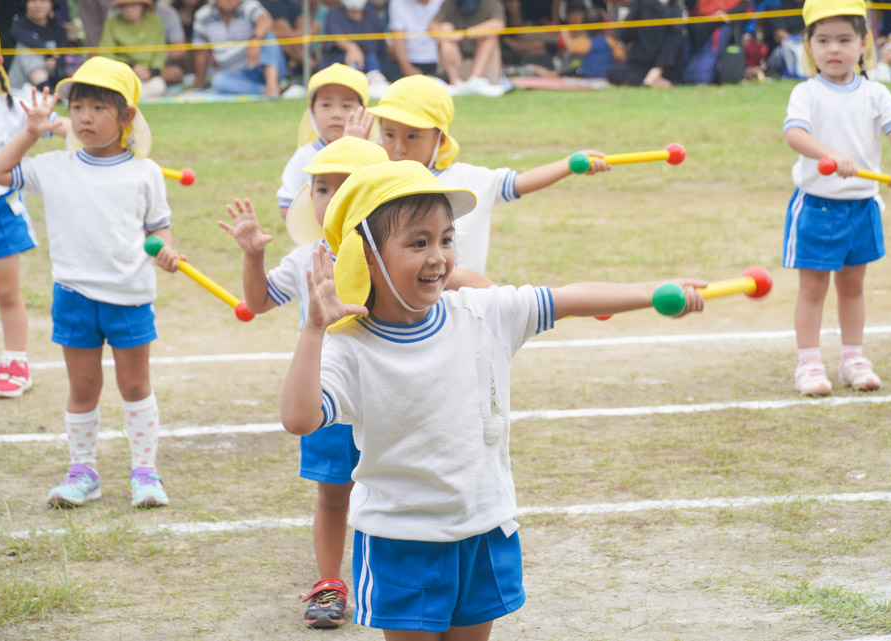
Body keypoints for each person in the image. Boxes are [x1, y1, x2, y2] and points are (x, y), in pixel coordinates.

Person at [277, 159, 705, 639]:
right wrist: (314, 329)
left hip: (483, 528)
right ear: (367, 256)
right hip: (402, 540)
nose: (438, 256)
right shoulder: (352, 347)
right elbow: (299, 418)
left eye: (446, 238)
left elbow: (569, 298)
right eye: (418, 242)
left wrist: (655, 293)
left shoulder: (482, 313)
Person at [220, 137, 492, 629]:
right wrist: (254, 256)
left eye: (342, 186)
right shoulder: (307, 257)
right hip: (331, 393)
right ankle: (330, 585)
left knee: (387, 493)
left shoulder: (402, 254)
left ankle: (400, 575)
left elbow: (474, 284)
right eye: (320, 187)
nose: (328, 197)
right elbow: (258, 302)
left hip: (389, 397)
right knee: (332, 490)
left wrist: (467, 283)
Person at [0, 57, 180, 506]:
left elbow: (159, 228)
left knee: (135, 386)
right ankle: (83, 472)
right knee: (82, 387)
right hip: (73, 297)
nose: (85, 118)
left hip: (130, 298)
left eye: (98, 108)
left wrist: (165, 250)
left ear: (127, 116)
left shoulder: (145, 173)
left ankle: (145, 472)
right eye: (78, 108)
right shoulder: (54, 167)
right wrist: (32, 131)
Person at [782, 0, 891, 396]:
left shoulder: (876, 94)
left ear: (864, 44)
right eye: (823, 40)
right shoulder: (806, 93)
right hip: (817, 206)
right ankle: (808, 364)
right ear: (809, 46)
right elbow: (795, 135)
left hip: (862, 206)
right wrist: (830, 154)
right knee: (813, 288)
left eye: (844, 39)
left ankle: (852, 359)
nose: (834, 49)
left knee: (853, 287)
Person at [366, 74, 609, 274]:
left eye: (412, 136)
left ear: (440, 140)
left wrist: (569, 164)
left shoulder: (469, 180)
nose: (399, 148)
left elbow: (519, 183)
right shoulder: (375, 182)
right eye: (389, 134)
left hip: (464, 309)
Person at [0, 23, 66, 398]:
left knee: (7, 292)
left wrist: (106, 134)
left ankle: (15, 363)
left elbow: (62, 126)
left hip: (0, 210)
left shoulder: (14, 105)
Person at [277, 62, 368, 220]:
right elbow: (286, 206)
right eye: (326, 105)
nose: (336, 114)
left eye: (346, 106)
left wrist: (355, 149)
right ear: (312, 111)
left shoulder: (373, 154)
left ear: (362, 111)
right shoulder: (305, 156)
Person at [191, 0, 286, 96]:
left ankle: (272, 85)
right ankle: (265, 91)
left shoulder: (248, 5)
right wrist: (198, 86)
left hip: (260, 66)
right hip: (235, 75)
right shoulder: (202, 15)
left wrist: (255, 38)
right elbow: (201, 52)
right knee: (218, 81)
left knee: (268, 35)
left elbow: (266, 20)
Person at [428, 0, 506, 95]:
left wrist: (465, 33)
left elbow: (498, 25)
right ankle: (455, 82)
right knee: (445, 28)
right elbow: (431, 26)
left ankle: (475, 79)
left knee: (490, 36)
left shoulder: (491, 3)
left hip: (484, 66)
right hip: (458, 62)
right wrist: (445, 41)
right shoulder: (449, 3)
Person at [99, 0, 169, 98]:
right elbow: (106, 53)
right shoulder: (112, 22)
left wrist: (151, 72)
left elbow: (160, 52)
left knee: (159, 85)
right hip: (122, 74)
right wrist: (130, 68)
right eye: (125, 6)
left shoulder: (155, 21)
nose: (129, 10)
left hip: (147, 76)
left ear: (142, 6)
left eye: (133, 5)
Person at [320, 0, 390, 80]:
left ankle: (375, 77)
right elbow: (337, 37)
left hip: (371, 66)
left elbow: (382, 50)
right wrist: (352, 48)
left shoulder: (373, 17)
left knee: (371, 59)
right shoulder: (333, 15)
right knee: (353, 60)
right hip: (340, 66)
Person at [8, 0, 69, 91]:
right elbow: (20, 35)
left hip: (52, 73)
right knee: (25, 48)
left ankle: (50, 89)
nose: (38, 5)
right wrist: (47, 52)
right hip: (21, 83)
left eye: (43, 1)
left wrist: (54, 61)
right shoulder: (19, 24)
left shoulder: (57, 28)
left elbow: (61, 54)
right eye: (33, 1)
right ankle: (45, 87)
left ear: (52, 4)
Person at [388, 0, 445, 77]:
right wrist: (408, 68)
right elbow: (398, 40)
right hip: (411, 62)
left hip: (440, 63)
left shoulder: (444, 2)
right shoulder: (397, 3)